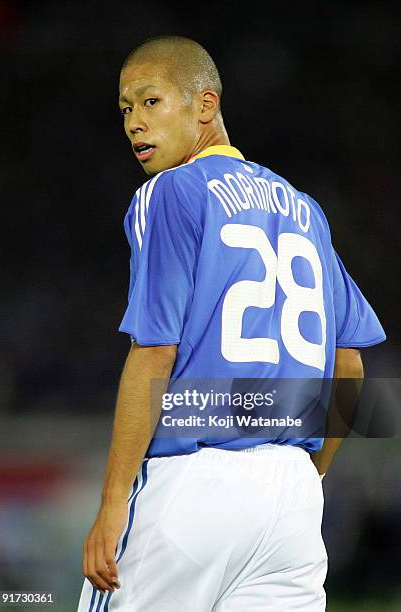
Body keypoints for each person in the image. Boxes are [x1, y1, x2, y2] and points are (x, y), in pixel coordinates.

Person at [77, 35, 386, 611]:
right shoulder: (305, 208)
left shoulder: (168, 192)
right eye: (125, 109)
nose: (133, 124)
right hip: (291, 502)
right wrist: (309, 476)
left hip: (193, 482)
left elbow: (154, 351)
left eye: (149, 101)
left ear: (205, 105)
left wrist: (113, 501)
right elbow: (351, 362)